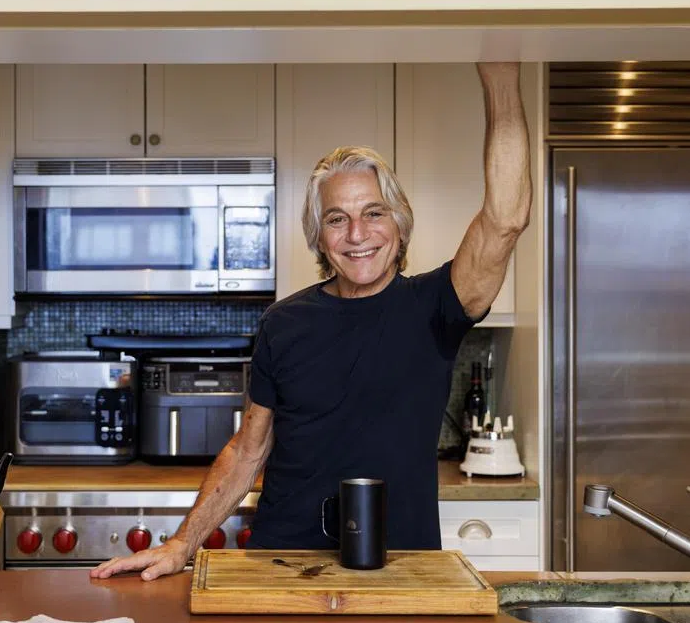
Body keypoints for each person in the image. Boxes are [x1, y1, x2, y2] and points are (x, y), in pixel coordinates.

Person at [90, 62, 531, 581]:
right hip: (286, 564)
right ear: (318, 237)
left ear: (400, 223)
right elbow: (247, 451)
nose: (357, 233)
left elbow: (505, 220)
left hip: (399, 568)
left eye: (374, 212)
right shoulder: (284, 322)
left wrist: (500, 72)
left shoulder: (436, 305)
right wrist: (182, 543)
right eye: (337, 218)